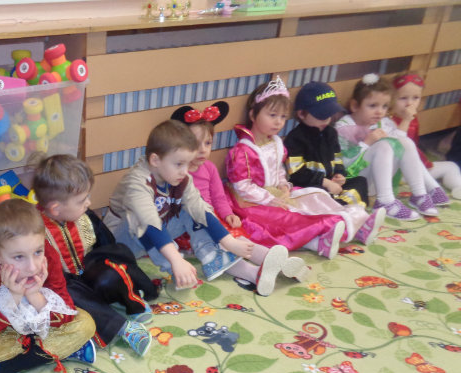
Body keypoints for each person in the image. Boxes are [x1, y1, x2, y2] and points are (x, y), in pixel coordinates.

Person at [105, 119, 291, 295]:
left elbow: (200, 208)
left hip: (157, 229)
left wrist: (229, 242)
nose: (185, 171)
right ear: (155, 160)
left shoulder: (176, 175)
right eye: (179, 164)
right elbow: (150, 223)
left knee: (195, 209)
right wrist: (176, 260)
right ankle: (178, 266)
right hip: (122, 242)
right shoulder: (137, 183)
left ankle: (227, 263)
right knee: (147, 217)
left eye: (188, 164)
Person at [0, 198, 97, 373]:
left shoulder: (48, 254)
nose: (32, 267)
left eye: (37, 252)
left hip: (42, 326)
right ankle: (62, 351)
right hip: (2, 331)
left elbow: (66, 310)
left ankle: (0, 370)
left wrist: (34, 294)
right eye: (18, 257)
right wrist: (13, 295)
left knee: (86, 324)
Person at [226, 76, 379, 253]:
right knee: (292, 219)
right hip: (253, 201)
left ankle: (356, 224)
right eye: (272, 115)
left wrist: (283, 185)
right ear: (253, 115)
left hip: (278, 194)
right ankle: (323, 238)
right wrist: (269, 198)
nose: (278, 122)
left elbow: (279, 170)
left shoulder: (275, 142)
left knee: (318, 198)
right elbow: (242, 186)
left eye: (283, 117)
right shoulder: (243, 151)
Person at [170, 102, 312, 287]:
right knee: (222, 248)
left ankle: (277, 262)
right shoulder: (177, 172)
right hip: (191, 228)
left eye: (208, 143)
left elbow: (218, 197)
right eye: (195, 144)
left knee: (239, 239)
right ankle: (254, 274)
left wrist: (227, 214)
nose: (203, 149)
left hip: (213, 219)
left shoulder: (210, 168)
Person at [31, 154, 158, 357]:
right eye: (82, 200)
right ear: (56, 208)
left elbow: (108, 245)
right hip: (68, 288)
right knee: (64, 296)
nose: (89, 203)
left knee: (111, 267)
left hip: (93, 277)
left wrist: (111, 266)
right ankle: (123, 328)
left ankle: (133, 300)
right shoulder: (34, 232)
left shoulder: (85, 217)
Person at [335, 73, 450, 220]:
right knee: (384, 145)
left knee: (405, 142)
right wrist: (366, 143)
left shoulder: (384, 123)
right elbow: (342, 164)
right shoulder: (344, 126)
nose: (379, 111)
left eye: (384, 106)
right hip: (355, 183)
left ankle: (419, 193)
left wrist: (403, 124)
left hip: (379, 183)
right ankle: (385, 201)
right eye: (372, 106)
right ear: (355, 105)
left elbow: (401, 149)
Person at [389, 72, 460, 200]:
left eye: (415, 98)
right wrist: (406, 120)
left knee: (451, 166)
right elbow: (397, 145)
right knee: (449, 167)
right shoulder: (388, 120)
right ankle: (429, 190)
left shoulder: (412, 118)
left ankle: (458, 187)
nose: (409, 103)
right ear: (390, 99)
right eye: (403, 98)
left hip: (415, 167)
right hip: (397, 172)